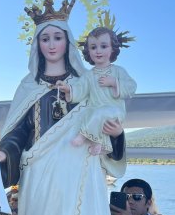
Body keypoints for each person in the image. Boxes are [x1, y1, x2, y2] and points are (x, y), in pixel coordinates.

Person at [0, 0, 127, 215]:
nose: (52, 45)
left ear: (68, 42)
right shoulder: (27, 87)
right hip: (39, 173)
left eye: (58, 38)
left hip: (81, 171)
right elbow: (18, 131)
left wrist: (117, 135)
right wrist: (4, 152)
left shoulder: (87, 82)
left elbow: (106, 112)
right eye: (45, 39)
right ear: (37, 43)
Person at [57, 27, 137, 155]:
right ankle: (99, 144)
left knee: (102, 112)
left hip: (114, 111)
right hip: (94, 111)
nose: (98, 51)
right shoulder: (89, 75)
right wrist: (69, 89)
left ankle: (83, 136)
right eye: (93, 47)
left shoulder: (118, 71)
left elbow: (132, 86)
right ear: (88, 51)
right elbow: (80, 89)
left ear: (112, 48)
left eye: (103, 46)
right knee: (92, 114)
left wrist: (114, 82)